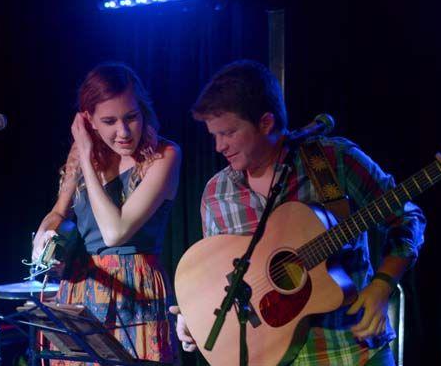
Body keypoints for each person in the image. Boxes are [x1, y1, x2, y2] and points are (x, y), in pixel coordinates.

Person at [170, 60, 426, 365]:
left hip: (352, 349)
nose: (219, 147)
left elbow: (406, 217)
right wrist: (195, 318)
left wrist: (383, 283)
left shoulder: (331, 160)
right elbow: (216, 276)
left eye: (228, 133)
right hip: (270, 358)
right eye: (214, 135)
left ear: (265, 123)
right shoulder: (217, 194)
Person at [31, 62, 181, 365]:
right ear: (89, 121)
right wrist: (44, 240)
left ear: (143, 111)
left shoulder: (165, 156)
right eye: (109, 121)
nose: (123, 132)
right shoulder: (83, 156)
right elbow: (58, 213)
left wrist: (86, 157)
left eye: (131, 118)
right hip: (82, 287)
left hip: (135, 289)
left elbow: (115, 232)